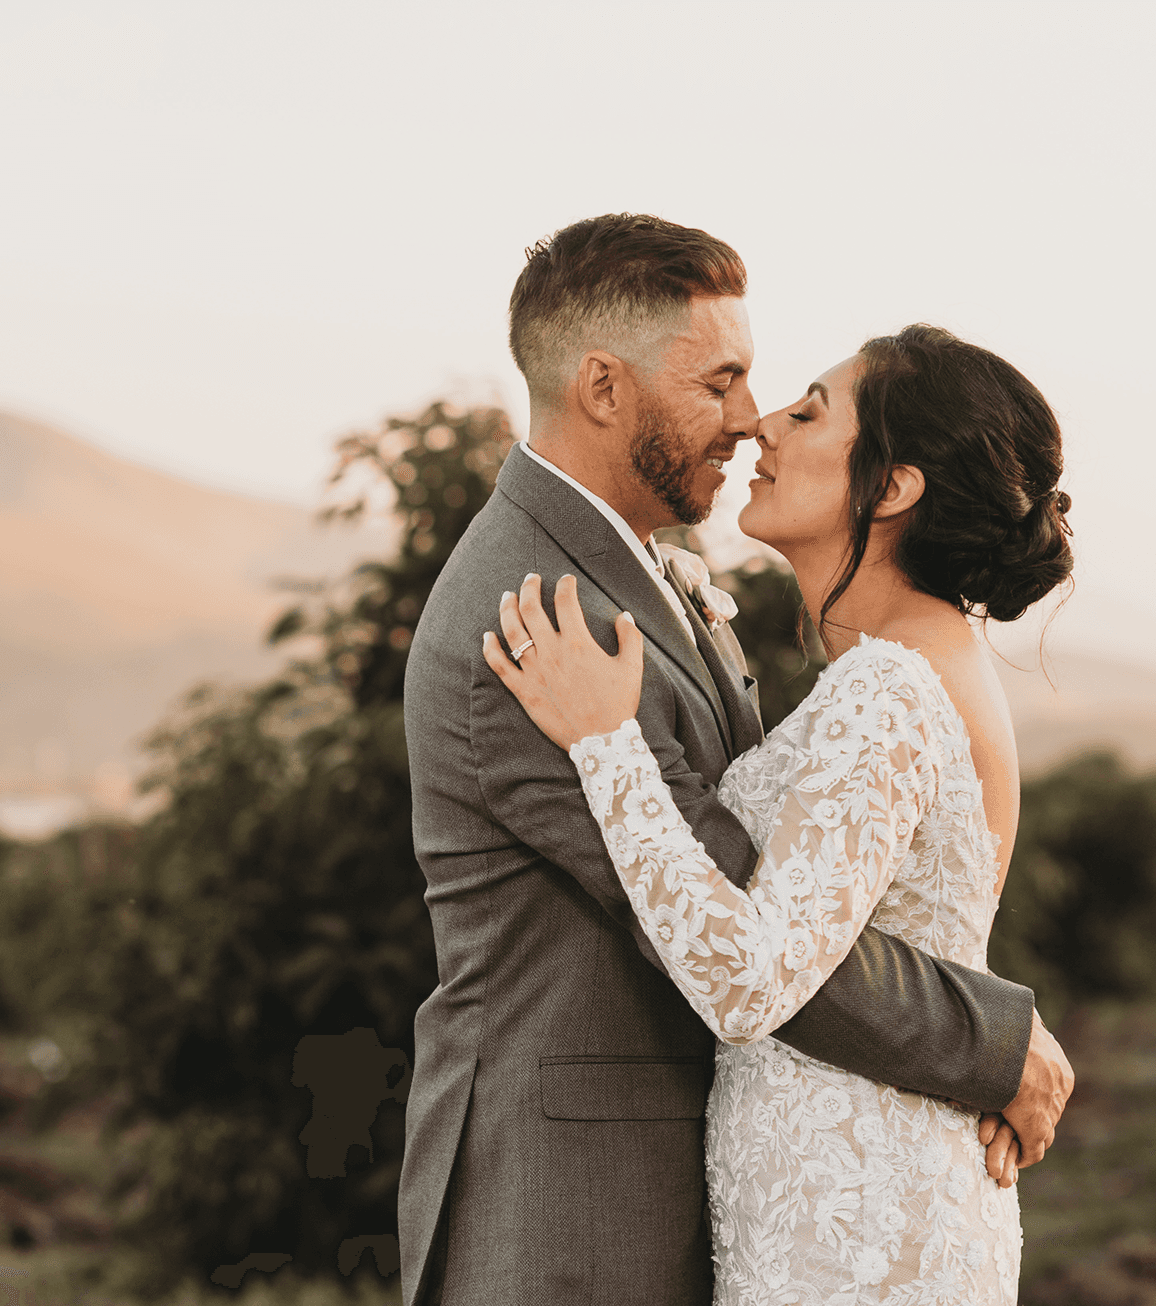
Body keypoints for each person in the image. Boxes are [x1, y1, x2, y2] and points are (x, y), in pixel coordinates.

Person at [397, 212, 1073, 1306]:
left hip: (811, 1209)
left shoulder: (657, 585)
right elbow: (751, 932)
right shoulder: (532, 618)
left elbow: (760, 914)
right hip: (572, 1217)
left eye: (783, 397)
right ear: (605, 388)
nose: (749, 418)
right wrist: (991, 1042)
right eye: (720, 382)